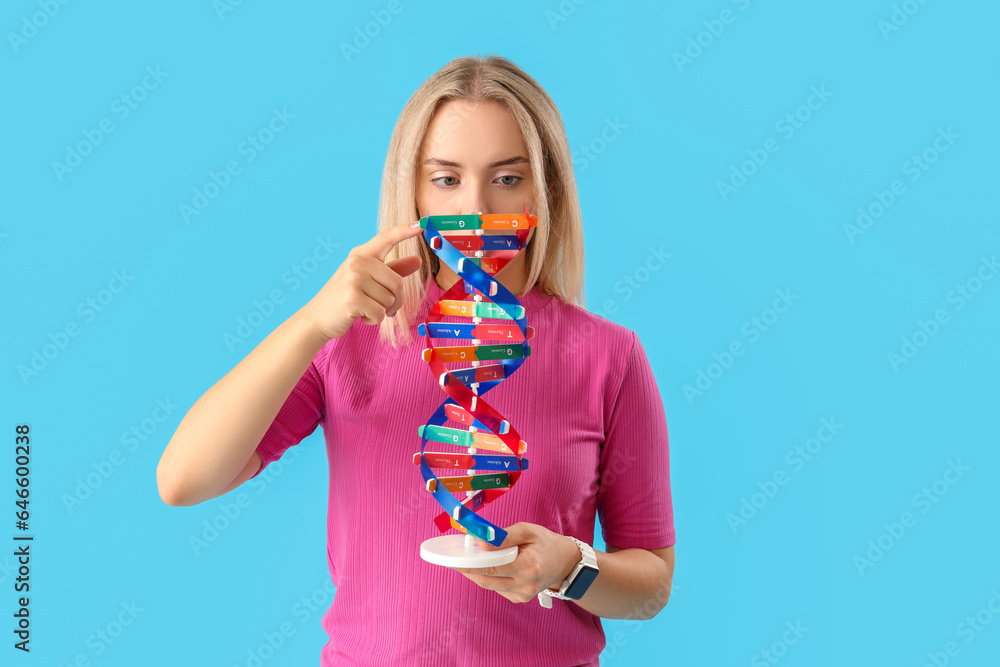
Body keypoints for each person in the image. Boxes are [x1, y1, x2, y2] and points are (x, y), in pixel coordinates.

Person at [157, 54, 675, 666]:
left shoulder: (609, 356)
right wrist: (310, 325)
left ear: (546, 189)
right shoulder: (350, 339)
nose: (477, 208)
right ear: (414, 191)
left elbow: (651, 584)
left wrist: (568, 568)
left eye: (507, 178)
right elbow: (183, 480)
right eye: (447, 179)